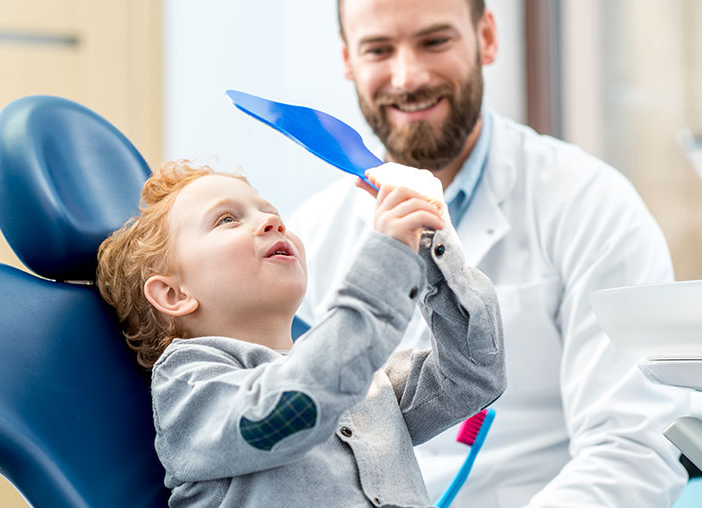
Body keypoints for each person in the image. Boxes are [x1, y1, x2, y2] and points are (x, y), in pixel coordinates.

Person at [288, 0, 691, 506]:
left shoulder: (593, 207)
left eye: (435, 41)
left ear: (488, 38)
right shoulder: (308, 237)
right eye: (378, 49)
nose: (408, 76)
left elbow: (634, 449)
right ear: (349, 59)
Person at [96, 159, 505, 507]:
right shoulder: (189, 381)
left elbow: (472, 373)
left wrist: (432, 244)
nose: (271, 221)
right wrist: (388, 261)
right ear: (173, 293)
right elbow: (289, 409)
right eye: (227, 219)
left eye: (270, 211)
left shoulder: (364, 381)